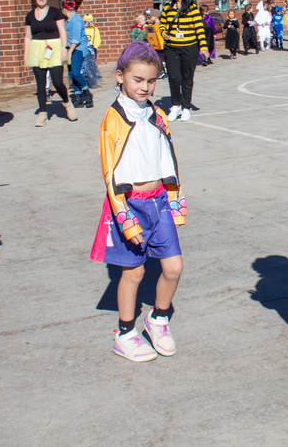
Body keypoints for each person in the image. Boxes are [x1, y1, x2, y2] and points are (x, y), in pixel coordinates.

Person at [90, 42, 186, 362]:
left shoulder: (158, 114)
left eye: (151, 80)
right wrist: (124, 217)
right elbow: (110, 174)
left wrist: (175, 198)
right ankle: (125, 332)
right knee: (133, 273)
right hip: (130, 204)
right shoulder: (113, 119)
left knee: (173, 267)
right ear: (120, 77)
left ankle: (157, 319)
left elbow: (168, 157)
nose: (145, 87)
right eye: (137, 80)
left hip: (159, 201)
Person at [24, 0, 77, 126]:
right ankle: (42, 113)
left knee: (57, 82)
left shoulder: (55, 13)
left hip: (54, 49)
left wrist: (65, 49)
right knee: (40, 84)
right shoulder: (30, 15)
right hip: (37, 49)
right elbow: (28, 37)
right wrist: (26, 55)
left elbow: (62, 31)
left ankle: (67, 103)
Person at [158, 0, 208, 121]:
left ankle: (185, 107)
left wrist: (203, 48)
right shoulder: (167, 6)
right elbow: (162, 24)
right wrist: (163, 33)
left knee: (187, 78)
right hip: (172, 47)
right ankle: (175, 105)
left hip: (189, 48)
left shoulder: (192, 7)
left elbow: (199, 28)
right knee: (174, 77)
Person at [61, 0, 93, 108]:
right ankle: (78, 95)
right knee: (70, 73)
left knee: (76, 72)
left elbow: (76, 39)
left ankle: (86, 92)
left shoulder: (77, 20)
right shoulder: (68, 21)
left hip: (77, 49)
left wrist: (69, 52)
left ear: (64, 9)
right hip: (70, 48)